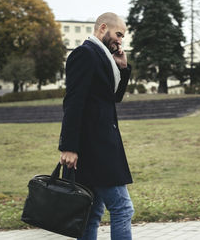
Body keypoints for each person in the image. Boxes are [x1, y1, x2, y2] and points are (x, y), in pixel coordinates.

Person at [58, 12, 134, 240]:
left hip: (98, 148)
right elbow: (73, 102)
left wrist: (122, 68)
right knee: (122, 209)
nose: (120, 40)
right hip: (95, 149)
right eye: (118, 34)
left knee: (92, 213)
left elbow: (113, 98)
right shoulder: (85, 54)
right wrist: (68, 147)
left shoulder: (103, 58)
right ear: (103, 28)